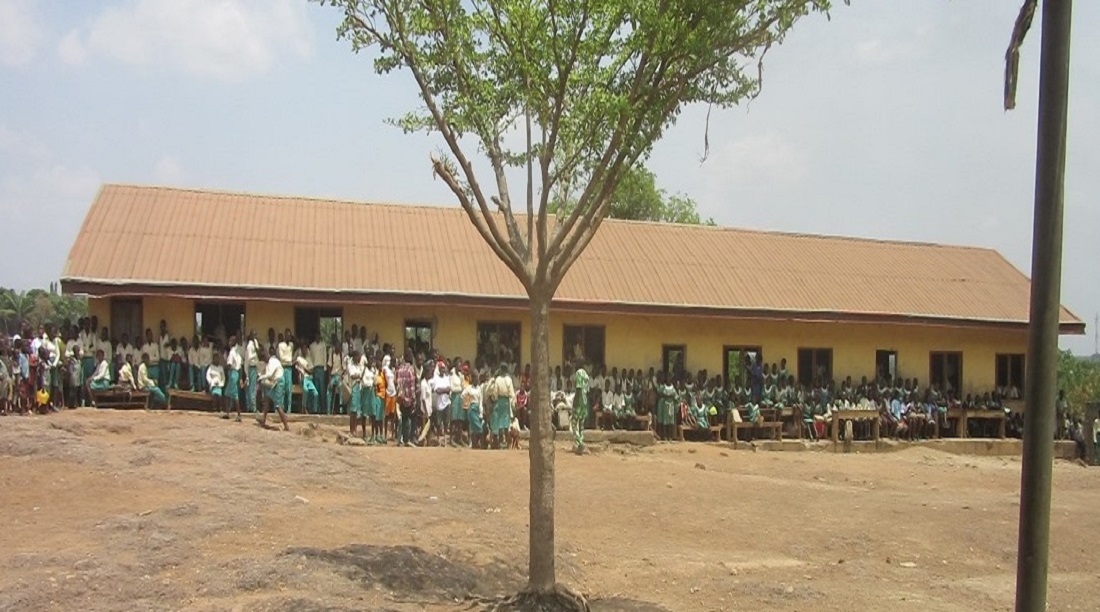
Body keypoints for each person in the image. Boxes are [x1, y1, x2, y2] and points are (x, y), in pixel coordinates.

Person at [257, 347, 290, 431]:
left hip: (279, 382)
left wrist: (261, 378)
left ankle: (286, 425)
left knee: (278, 405)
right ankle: (263, 419)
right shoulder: (270, 363)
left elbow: (269, 374)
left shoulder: (273, 361)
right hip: (276, 382)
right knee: (267, 398)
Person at [345, 350, 366, 438]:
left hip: (359, 387)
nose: (359, 358)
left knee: (357, 410)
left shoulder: (358, 365)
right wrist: (359, 375)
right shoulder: (350, 365)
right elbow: (353, 375)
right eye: (357, 356)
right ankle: (351, 429)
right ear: (354, 357)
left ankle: (355, 429)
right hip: (353, 387)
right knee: (353, 410)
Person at [431, 361, 452, 446]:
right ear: (439, 369)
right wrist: (444, 390)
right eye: (441, 368)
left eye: (444, 368)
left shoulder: (447, 378)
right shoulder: (436, 378)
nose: (443, 370)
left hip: (447, 403)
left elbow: (449, 389)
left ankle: (445, 441)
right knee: (439, 423)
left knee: (446, 423)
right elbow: (437, 390)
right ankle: (439, 440)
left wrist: (443, 390)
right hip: (439, 404)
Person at [570, 364, 590, 453]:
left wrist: (575, 403)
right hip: (585, 403)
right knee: (581, 424)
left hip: (579, 402)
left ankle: (580, 443)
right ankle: (581, 441)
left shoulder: (578, 373)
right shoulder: (586, 375)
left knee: (574, 423)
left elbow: (578, 389)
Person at [464, 371, 485, 448]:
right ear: (472, 379)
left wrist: (481, 412)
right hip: (471, 409)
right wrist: (467, 404)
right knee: (477, 429)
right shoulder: (469, 388)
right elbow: (463, 395)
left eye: (477, 378)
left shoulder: (479, 389)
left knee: (476, 429)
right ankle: (475, 444)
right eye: (475, 378)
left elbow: (480, 401)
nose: (477, 379)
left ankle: (476, 445)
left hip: (477, 409)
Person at [225, 337, 244, 421]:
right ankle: (228, 412)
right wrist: (240, 378)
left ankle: (239, 415)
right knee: (227, 394)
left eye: (230, 341)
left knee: (234, 395)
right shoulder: (237, 353)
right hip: (236, 374)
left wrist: (227, 372)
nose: (229, 342)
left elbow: (229, 364)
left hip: (232, 373)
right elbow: (240, 367)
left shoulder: (232, 353)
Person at [309, 335, 328, 415]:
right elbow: (311, 358)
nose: (317, 338)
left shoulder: (323, 345)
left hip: (321, 368)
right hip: (315, 368)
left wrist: (325, 368)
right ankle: (316, 408)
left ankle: (323, 409)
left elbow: (325, 356)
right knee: (316, 390)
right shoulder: (311, 346)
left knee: (322, 389)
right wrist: (312, 368)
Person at [277, 333, 294, 412]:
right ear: (285, 336)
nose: (288, 337)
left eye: (290, 336)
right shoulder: (281, 345)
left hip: (289, 368)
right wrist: (290, 360)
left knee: (289, 389)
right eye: (287, 336)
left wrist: (289, 359)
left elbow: (290, 356)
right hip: (283, 368)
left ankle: (289, 408)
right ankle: (281, 407)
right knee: (282, 388)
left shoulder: (291, 345)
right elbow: (281, 357)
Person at [245, 331, 260, 413]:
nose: (255, 336)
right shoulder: (249, 345)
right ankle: (253, 407)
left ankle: (252, 406)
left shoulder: (255, 343)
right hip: (251, 367)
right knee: (252, 388)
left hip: (255, 367)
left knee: (254, 388)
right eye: (253, 335)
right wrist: (256, 354)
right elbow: (250, 357)